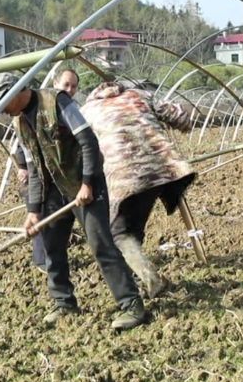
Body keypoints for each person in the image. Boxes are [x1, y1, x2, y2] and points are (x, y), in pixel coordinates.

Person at [0, 72, 146, 330]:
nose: (2, 111)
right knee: (52, 247)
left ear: (16, 92)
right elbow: (35, 168)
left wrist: (86, 183)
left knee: (101, 244)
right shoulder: (19, 123)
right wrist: (33, 210)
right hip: (53, 190)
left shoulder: (57, 101)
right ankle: (64, 304)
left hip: (84, 183)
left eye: (3, 103)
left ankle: (131, 304)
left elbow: (88, 141)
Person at [80, 80, 196, 298]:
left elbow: (79, 147)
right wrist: (183, 122)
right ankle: (139, 276)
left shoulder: (86, 111)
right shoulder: (140, 96)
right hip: (161, 169)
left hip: (125, 176)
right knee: (131, 228)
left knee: (119, 234)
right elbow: (180, 119)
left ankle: (152, 281)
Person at [12, 68, 81, 272]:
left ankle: (52, 260)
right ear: (55, 83)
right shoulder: (41, 107)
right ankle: (43, 261)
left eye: (74, 86)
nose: (70, 90)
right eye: (66, 85)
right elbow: (23, 145)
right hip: (42, 178)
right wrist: (23, 167)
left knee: (57, 222)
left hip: (66, 179)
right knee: (41, 217)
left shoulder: (70, 109)